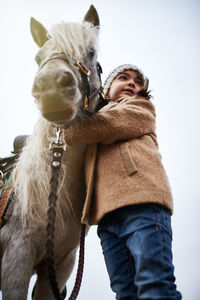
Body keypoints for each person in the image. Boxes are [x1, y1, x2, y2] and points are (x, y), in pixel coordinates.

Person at [64, 64, 182, 299]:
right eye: (124, 78)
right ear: (106, 91)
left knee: (154, 284)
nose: (132, 84)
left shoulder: (139, 108)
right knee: (124, 291)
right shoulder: (98, 118)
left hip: (142, 205)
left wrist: (63, 126)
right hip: (107, 220)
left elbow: (106, 125)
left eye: (139, 83)